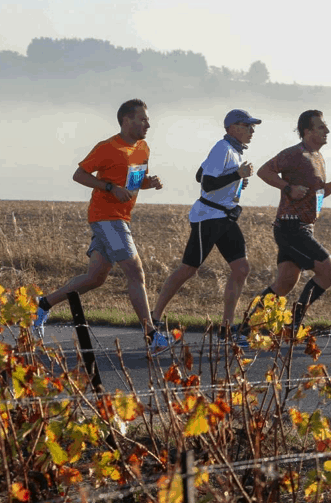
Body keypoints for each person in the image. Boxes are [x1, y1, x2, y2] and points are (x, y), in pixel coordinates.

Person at [32, 99, 169, 351]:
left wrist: (150, 182)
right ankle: (152, 334)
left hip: (121, 217)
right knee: (136, 272)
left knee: (94, 278)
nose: (148, 124)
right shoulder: (107, 148)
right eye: (142, 119)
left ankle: (42, 305)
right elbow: (79, 175)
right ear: (126, 121)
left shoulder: (143, 148)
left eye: (148, 119)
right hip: (106, 217)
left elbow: (133, 182)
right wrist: (109, 187)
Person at [150, 109, 259, 343]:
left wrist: (235, 180)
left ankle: (226, 329)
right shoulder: (223, 149)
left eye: (253, 126)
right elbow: (207, 184)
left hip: (225, 217)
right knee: (188, 269)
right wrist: (236, 175)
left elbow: (200, 174)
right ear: (232, 127)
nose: (252, 130)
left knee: (241, 269)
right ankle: (154, 319)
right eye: (248, 125)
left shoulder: (233, 150)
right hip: (208, 217)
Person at [248, 109, 331, 330]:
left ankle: (244, 329)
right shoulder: (295, 154)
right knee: (329, 272)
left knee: (285, 282)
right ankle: (294, 323)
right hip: (291, 227)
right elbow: (264, 171)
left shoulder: (317, 157)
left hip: (303, 228)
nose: (327, 130)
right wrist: (287, 187)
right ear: (307, 131)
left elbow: (318, 195)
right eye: (321, 127)